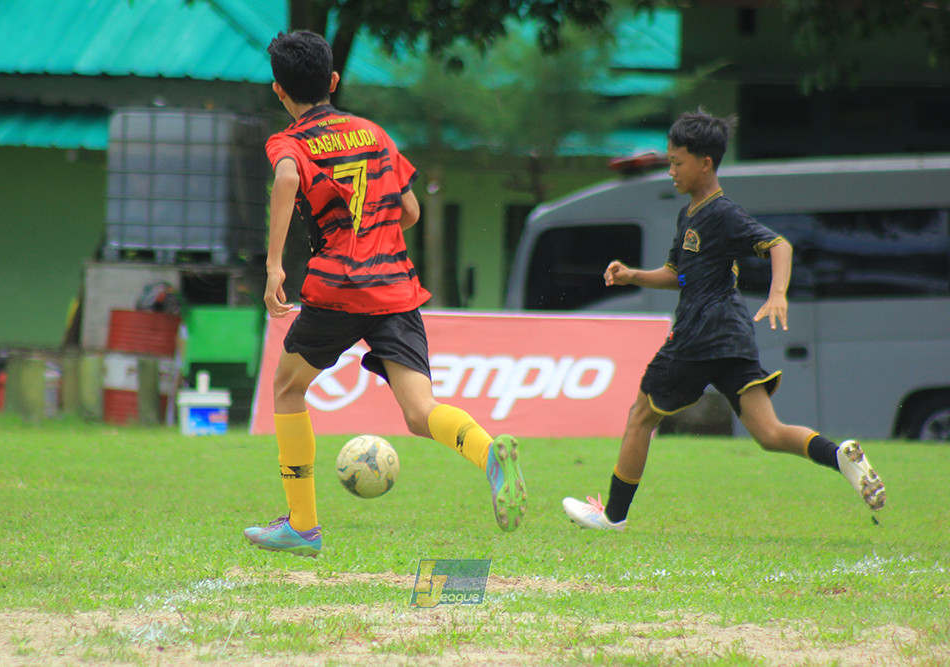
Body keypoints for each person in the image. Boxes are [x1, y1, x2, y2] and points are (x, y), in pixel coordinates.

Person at [243, 30, 527, 558]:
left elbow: (285, 180)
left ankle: (302, 526)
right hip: (395, 287)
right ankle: (489, 455)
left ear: (279, 91)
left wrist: (274, 266)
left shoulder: (290, 142)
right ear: (333, 81)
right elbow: (412, 211)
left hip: (338, 287)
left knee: (287, 389)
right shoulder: (374, 134)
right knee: (420, 412)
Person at [562, 109, 885, 531]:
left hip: (700, 334)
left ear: (705, 163)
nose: (671, 171)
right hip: (732, 336)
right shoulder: (689, 215)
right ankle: (837, 455)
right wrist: (632, 275)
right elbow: (679, 274)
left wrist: (777, 294)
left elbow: (779, 245)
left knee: (641, 416)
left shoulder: (723, 212)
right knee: (769, 433)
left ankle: (613, 517)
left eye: (677, 163)